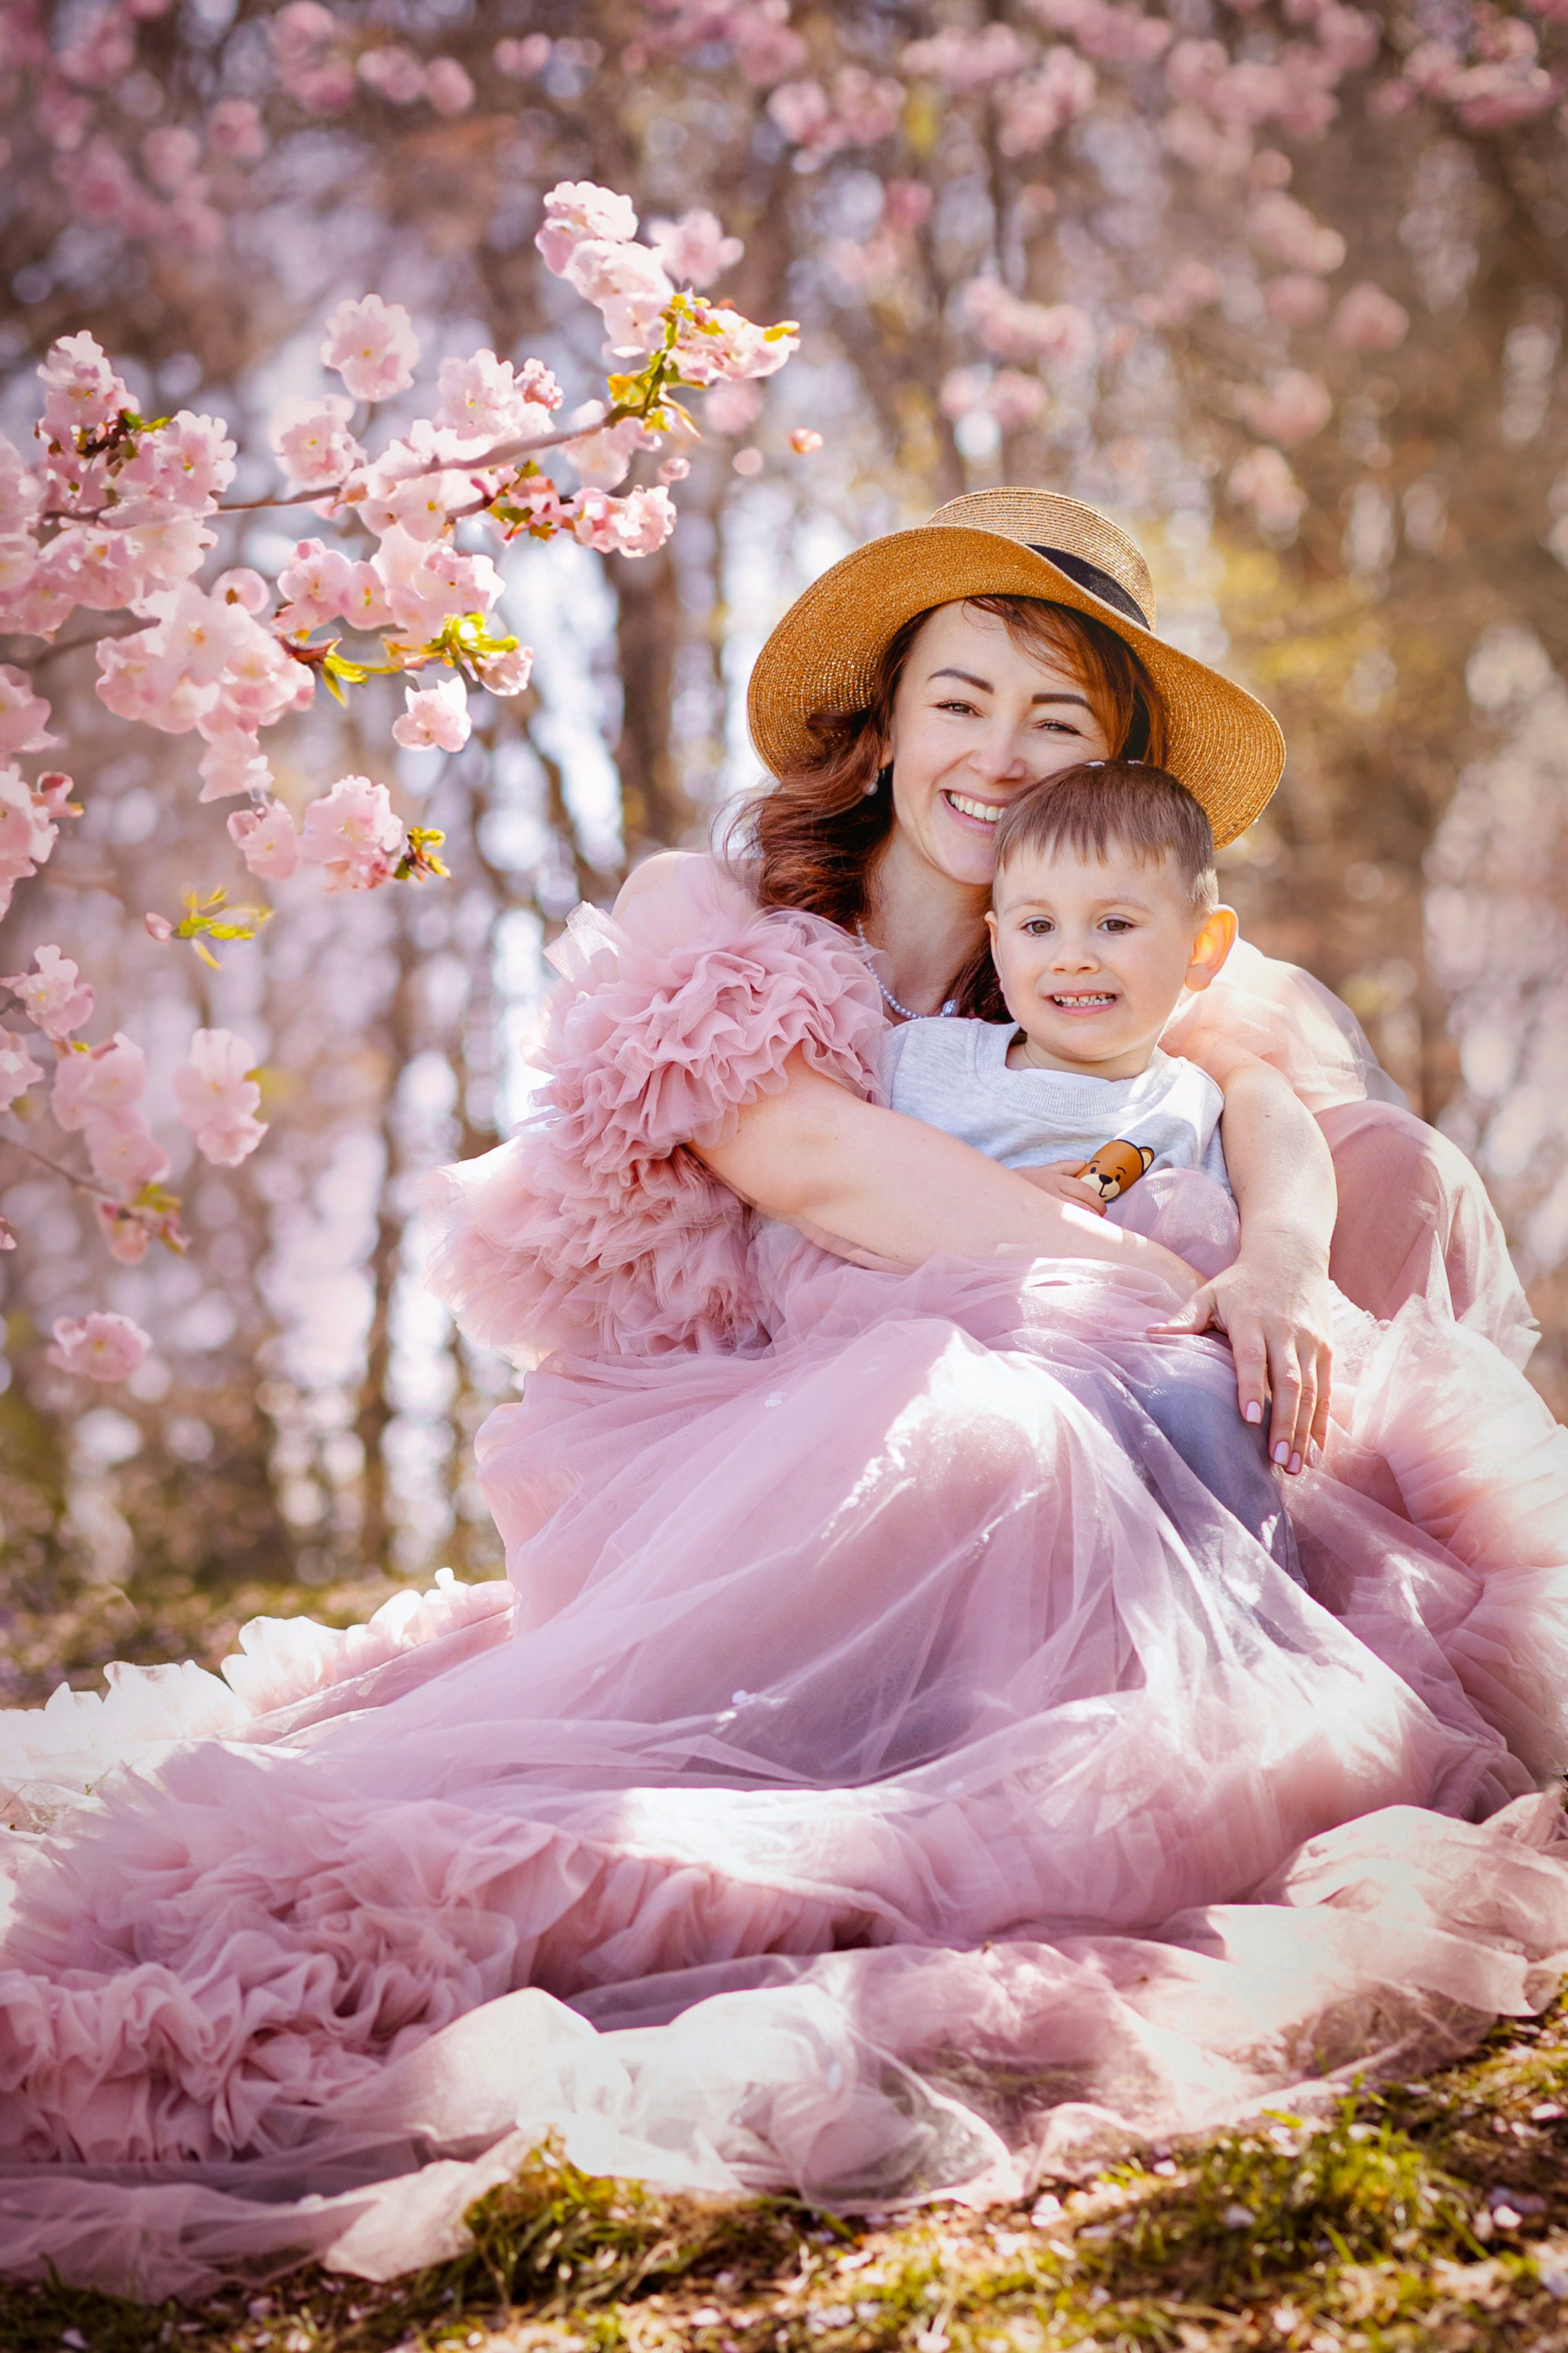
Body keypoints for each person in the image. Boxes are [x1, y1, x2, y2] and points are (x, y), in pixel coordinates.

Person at [0, 489, 1565, 2303]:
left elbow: (1266, 1093)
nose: (999, 754)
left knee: (1382, 1170)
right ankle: (988, 1755)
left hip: (1078, 1366)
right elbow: (811, 1160)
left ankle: (1281, 1639)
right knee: (979, 1410)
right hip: (751, 1427)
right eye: (960, 700)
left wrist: (1278, 1261)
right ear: (882, 726)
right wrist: (1152, 1284)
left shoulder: (1092, 935)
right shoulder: (726, 920)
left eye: (1055, 722)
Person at [878, 752, 1298, 1576]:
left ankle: (1239, 1613)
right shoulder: (920, 1063)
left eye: (1114, 924)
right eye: (1037, 928)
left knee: (1209, 1404)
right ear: (997, 943)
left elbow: (1226, 1256)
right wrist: (985, 1201)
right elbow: (842, 1207)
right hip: (958, 1362)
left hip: (1144, 1381)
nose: (1071, 956)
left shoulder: (1193, 1105)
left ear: (1202, 946)